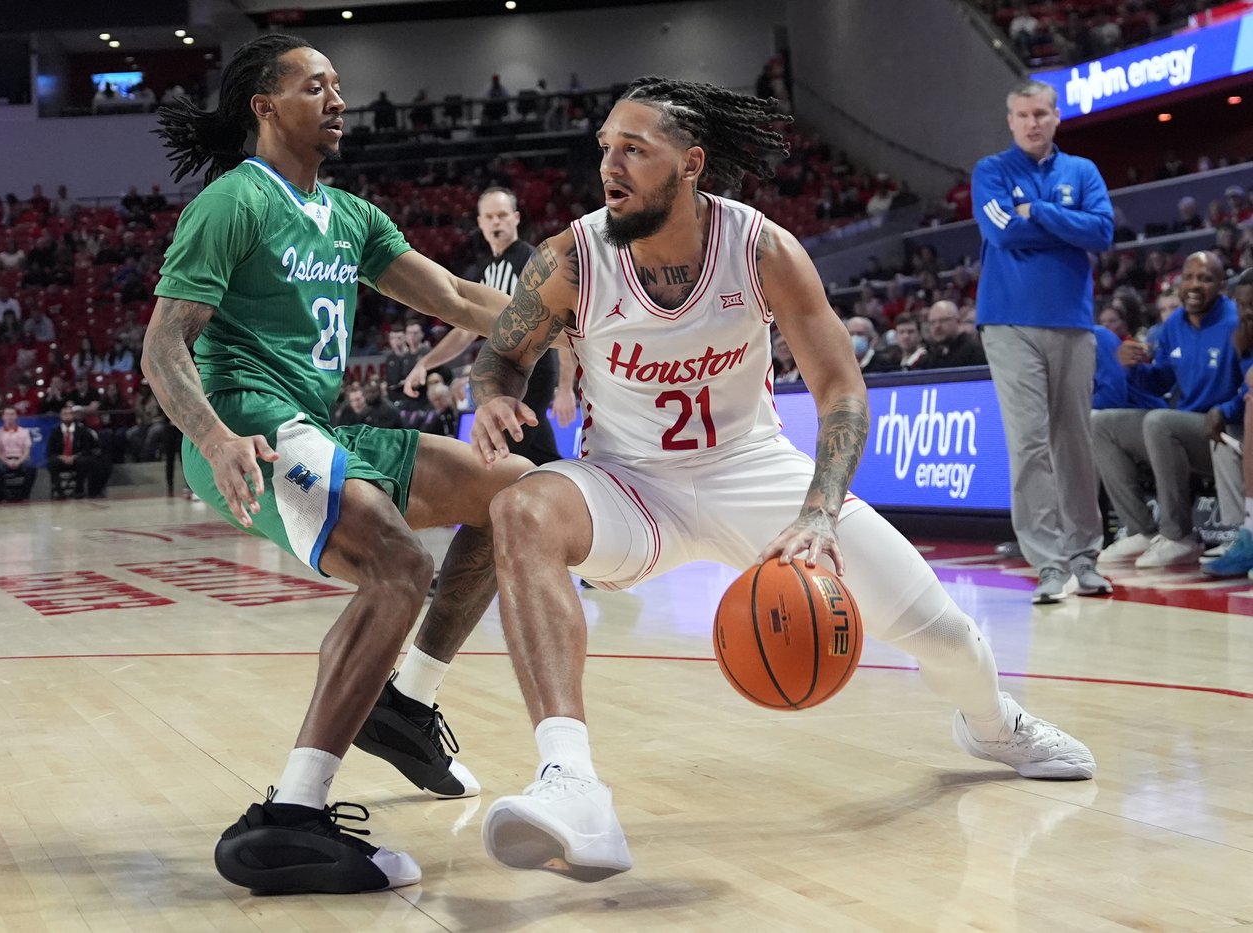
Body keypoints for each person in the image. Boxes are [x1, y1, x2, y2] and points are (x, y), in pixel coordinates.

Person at [468, 76, 1094, 883]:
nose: (610, 165)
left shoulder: (759, 247)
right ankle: (572, 782)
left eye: (634, 148)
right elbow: (504, 355)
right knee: (521, 508)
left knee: (946, 638)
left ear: (690, 163)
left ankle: (993, 723)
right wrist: (491, 400)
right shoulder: (571, 257)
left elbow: (841, 389)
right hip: (629, 485)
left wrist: (822, 511)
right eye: (605, 149)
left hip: (751, 469)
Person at [146, 33, 538, 895]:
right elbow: (163, 345)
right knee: (397, 564)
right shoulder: (233, 202)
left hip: (318, 430)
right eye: (317, 85)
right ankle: (292, 815)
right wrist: (212, 436)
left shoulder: (352, 216)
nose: (337, 99)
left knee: (518, 497)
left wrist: (585, 322)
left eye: (338, 85)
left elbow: (462, 299)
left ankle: (406, 699)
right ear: (265, 104)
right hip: (251, 429)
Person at [972, 79, 1114, 603]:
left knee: (1074, 441)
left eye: (1041, 114)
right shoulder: (990, 171)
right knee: (1029, 442)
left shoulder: (1083, 171)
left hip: (1073, 322)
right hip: (1008, 322)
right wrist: (1065, 225)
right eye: (1023, 115)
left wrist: (1042, 212)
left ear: (1057, 117)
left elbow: (1102, 233)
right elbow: (1002, 232)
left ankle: (1085, 556)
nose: (1032, 123)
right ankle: (1050, 564)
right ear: (1011, 121)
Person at [402, 187, 575, 463]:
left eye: (503, 215)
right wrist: (426, 363)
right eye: (490, 216)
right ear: (480, 222)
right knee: (541, 457)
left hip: (532, 374)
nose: (496, 222)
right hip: (505, 374)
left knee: (500, 456)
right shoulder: (484, 271)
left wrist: (566, 388)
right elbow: (466, 330)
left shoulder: (533, 261)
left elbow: (562, 320)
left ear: (516, 218)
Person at [1094, 252, 1242, 569]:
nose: (1194, 285)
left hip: (1225, 433)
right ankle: (1140, 530)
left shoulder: (1235, 321)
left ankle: (1179, 535)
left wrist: (1226, 409)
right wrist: (1132, 367)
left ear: (1221, 285)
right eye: (1188, 277)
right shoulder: (1175, 323)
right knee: (1100, 423)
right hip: (1186, 429)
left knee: (1159, 421)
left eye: (1204, 278)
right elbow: (1160, 379)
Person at [1204, 269, 1253, 576]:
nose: (1247, 311)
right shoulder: (1243, 336)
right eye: (1241, 304)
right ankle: (1245, 534)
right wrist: (1222, 410)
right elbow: (1242, 391)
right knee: (1223, 433)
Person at [47, 404, 106, 499]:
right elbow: (50, 451)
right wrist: (62, 457)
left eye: (69, 413)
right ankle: (59, 492)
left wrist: (74, 457)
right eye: (64, 413)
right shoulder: (55, 431)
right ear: (60, 416)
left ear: (73, 415)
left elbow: (86, 449)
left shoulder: (81, 430)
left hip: (76, 458)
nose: (67, 415)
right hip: (61, 459)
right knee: (52, 462)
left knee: (85, 461)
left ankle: (79, 490)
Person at [923, 300, 988, 369]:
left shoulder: (974, 352)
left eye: (943, 320)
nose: (937, 326)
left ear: (958, 321)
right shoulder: (932, 356)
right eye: (932, 323)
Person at [0, 406, 36, 500]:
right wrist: (7, 462)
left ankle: (24, 496)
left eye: (12, 414)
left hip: (20, 458)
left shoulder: (24, 432)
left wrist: (18, 461)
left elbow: (27, 451)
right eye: (7, 414)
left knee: (31, 467)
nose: (9, 417)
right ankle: (4, 497)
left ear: (16, 416)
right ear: (3, 417)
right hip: (4, 459)